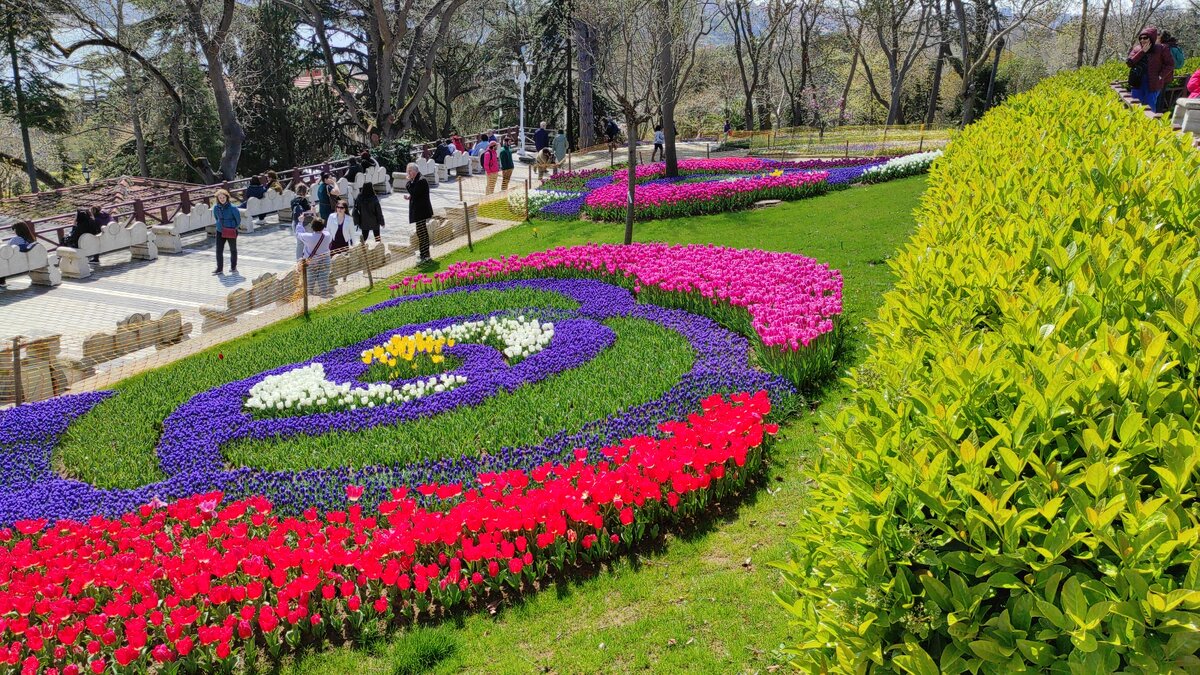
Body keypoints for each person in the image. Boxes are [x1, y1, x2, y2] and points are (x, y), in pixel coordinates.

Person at [1127, 26, 1174, 111]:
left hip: (1153, 83)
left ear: (1151, 38)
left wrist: (1160, 76)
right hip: (1137, 82)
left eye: (1145, 38)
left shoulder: (1161, 48)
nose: (1142, 40)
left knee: (1150, 107)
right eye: (1140, 38)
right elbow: (1129, 63)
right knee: (1135, 106)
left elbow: (1170, 64)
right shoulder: (1137, 48)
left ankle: (1149, 124)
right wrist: (1142, 52)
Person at [295, 216, 332, 297]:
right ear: (322, 226)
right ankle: (324, 296)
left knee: (309, 283)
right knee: (323, 282)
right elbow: (325, 229)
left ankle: (309, 300)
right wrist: (317, 218)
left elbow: (298, 233)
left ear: (312, 227)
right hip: (325, 261)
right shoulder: (327, 235)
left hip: (312, 262)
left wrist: (300, 222)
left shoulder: (308, 237)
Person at [404, 162, 433, 262]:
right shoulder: (417, 180)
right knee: (421, 233)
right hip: (420, 211)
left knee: (422, 233)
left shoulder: (421, 180)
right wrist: (410, 197)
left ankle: (424, 254)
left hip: (422, 212)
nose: (408, 173)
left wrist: (408, 182)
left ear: (415, 171)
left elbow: (414, 191)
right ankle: (424, 254)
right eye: (408, 171)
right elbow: (416, 194)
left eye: (410, 171)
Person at [211, 188, 240, 275]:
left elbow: (238, 220)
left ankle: (233, 267)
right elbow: (216, 218)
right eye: (220, 198)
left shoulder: (233, 208)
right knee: (218, 250)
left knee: (233, 249)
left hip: (231, 230)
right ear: (218, 199)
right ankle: (219, 269)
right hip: (220, 231)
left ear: (227, 197)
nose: (222, 199)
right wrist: (220, 225)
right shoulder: (216, 208)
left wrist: (232, 227)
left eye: (223, 197)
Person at [0, 221, 38, 287]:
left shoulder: (15, 239)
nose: (13, 231)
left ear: (17, 230)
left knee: (2, 261)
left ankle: (1, 282)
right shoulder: (31, 239)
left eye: (13, 229)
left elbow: (6, 250)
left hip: (15, 263)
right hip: (28, 261)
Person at [290, 183, 314, 258]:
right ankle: (308, 258)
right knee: (308, 242)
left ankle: (299, 261)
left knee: (299, 243)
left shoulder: (292, 201)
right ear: (305, 192)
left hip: (295, 223)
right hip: (305, 224)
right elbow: (309, 213)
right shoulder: (304, 200)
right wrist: (312, 207)